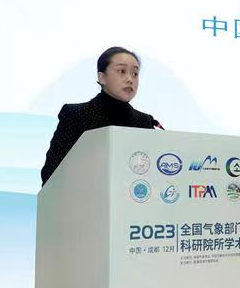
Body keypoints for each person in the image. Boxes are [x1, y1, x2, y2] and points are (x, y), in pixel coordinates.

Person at [40, 47, 160, 185]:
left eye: (135, 74)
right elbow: (52, 171)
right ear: (102, 77)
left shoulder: (144, 121)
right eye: (122, 71)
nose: (130, 79)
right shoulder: (76, 114)